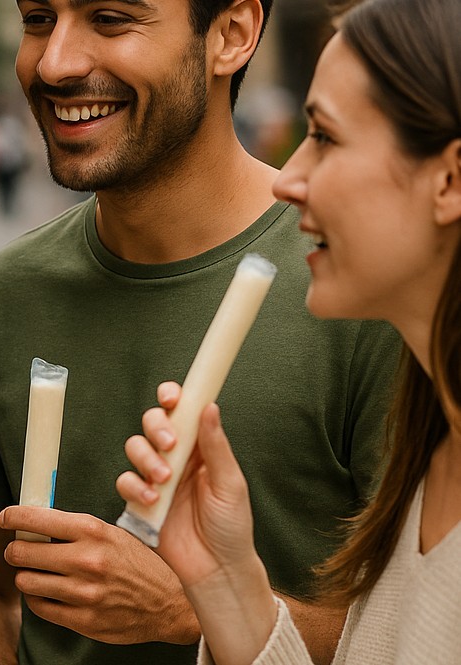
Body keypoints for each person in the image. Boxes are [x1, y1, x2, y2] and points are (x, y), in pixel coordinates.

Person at [0, 0, 402, 663]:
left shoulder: (364, 292)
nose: (54, 63)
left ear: (231, 34)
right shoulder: (8, 292)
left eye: (110, 18)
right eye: (38, 18)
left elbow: (418, 630)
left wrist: (189, 610)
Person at [118, 0, 461, 662]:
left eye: (324, 137)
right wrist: (225, 582)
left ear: (449, 179)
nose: (288, 179)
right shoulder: (426, 455)